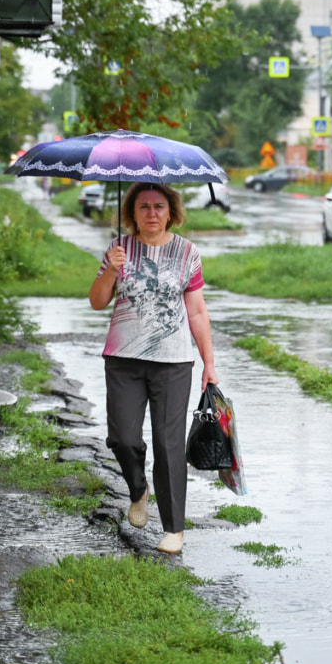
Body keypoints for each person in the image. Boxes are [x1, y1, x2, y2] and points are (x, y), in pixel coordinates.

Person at [89, 182, 218, 555]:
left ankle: (174, 529)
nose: (151, 213)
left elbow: (196, 309)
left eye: (158, 206)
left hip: (174, 362)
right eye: (143, 206)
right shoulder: (119, 249)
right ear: (132, 212)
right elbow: (98, 302)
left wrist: (209, 362)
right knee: (123, 437)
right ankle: (138, 489)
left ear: (170, 211)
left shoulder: (187, 252)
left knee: (168, 444)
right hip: (123, 358)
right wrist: (110, 271)